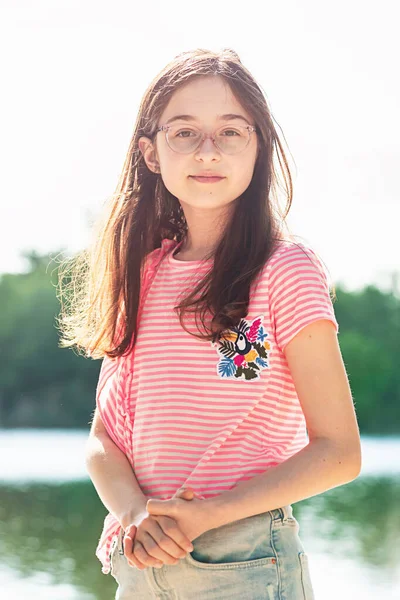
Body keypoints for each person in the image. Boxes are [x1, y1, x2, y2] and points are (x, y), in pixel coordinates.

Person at [58, 48, 361, 599]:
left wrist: (209, 515)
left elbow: (339, 452)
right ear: (151, 153)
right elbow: (103, 439)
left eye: (230, 132)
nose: (208, 151)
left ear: (257, 149)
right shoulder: (141, 273)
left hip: (244, 563)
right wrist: (132, 513)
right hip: (140, 564)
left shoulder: (284, 271)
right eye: (184, 133)